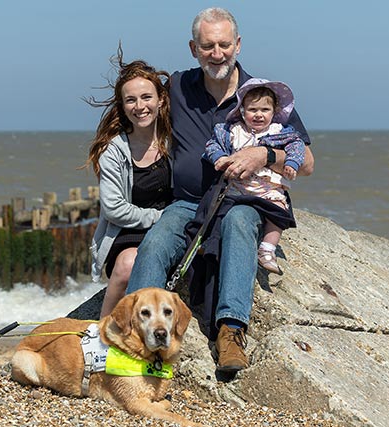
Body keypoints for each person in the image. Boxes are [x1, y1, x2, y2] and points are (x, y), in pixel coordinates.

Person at [126, 7, 314, 373]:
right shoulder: (179, 87)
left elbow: (306, 162)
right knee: (156, 242)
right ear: (193, 48)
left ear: (238, 45)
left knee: (241, 224)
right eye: (208, 45)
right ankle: (136, 339)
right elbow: (139, 100)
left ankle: (231, 333)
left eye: (224, 44)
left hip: (243, 200)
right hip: (189, 203)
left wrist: (263, 152)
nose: (217, 53)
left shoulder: (261, 96)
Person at [84, 52, 173, 318]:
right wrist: (158, 218)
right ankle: (103, 330)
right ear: (123, 106)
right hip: (129, 231)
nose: (139, 106)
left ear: (161, 100)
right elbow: (114, 209)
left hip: (173, 227)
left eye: (146, 97)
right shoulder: (114, 151)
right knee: (128, 264)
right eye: (130, 100)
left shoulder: (175, 142)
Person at [204, 78, 306, 275]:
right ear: (242, 110)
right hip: (237, 186)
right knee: (218, 210)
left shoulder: (279, 132)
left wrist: (291, 163)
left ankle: (267, 249)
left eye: (264, 110)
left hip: (266, 188)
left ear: (274, 111)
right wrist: (219, 157)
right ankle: (210, 242)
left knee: (280, 211)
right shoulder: (233, 131)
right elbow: (212, 144)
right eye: (253, 110)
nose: (259, 115)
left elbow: (297, 146)